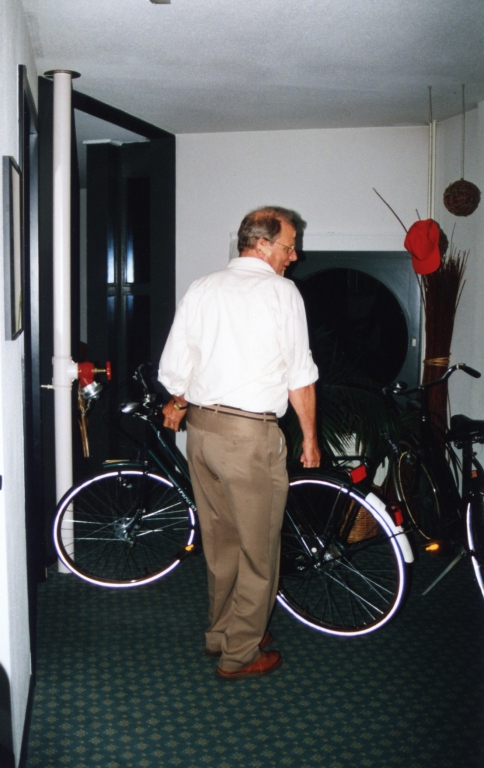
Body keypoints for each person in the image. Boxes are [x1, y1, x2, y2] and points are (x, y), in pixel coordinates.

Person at [158, 206, 320, 681]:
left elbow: (177, 367)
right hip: (250, 439)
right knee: (258, 549)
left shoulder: (203, 287)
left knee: (221, 542)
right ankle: (241, 655)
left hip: (202, 434)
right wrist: (311, 439)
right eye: (289, 246)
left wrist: (179, 402)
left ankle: (222, 632)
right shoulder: (281, 293)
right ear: (263, 244)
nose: (294, 256)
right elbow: (300, 376)